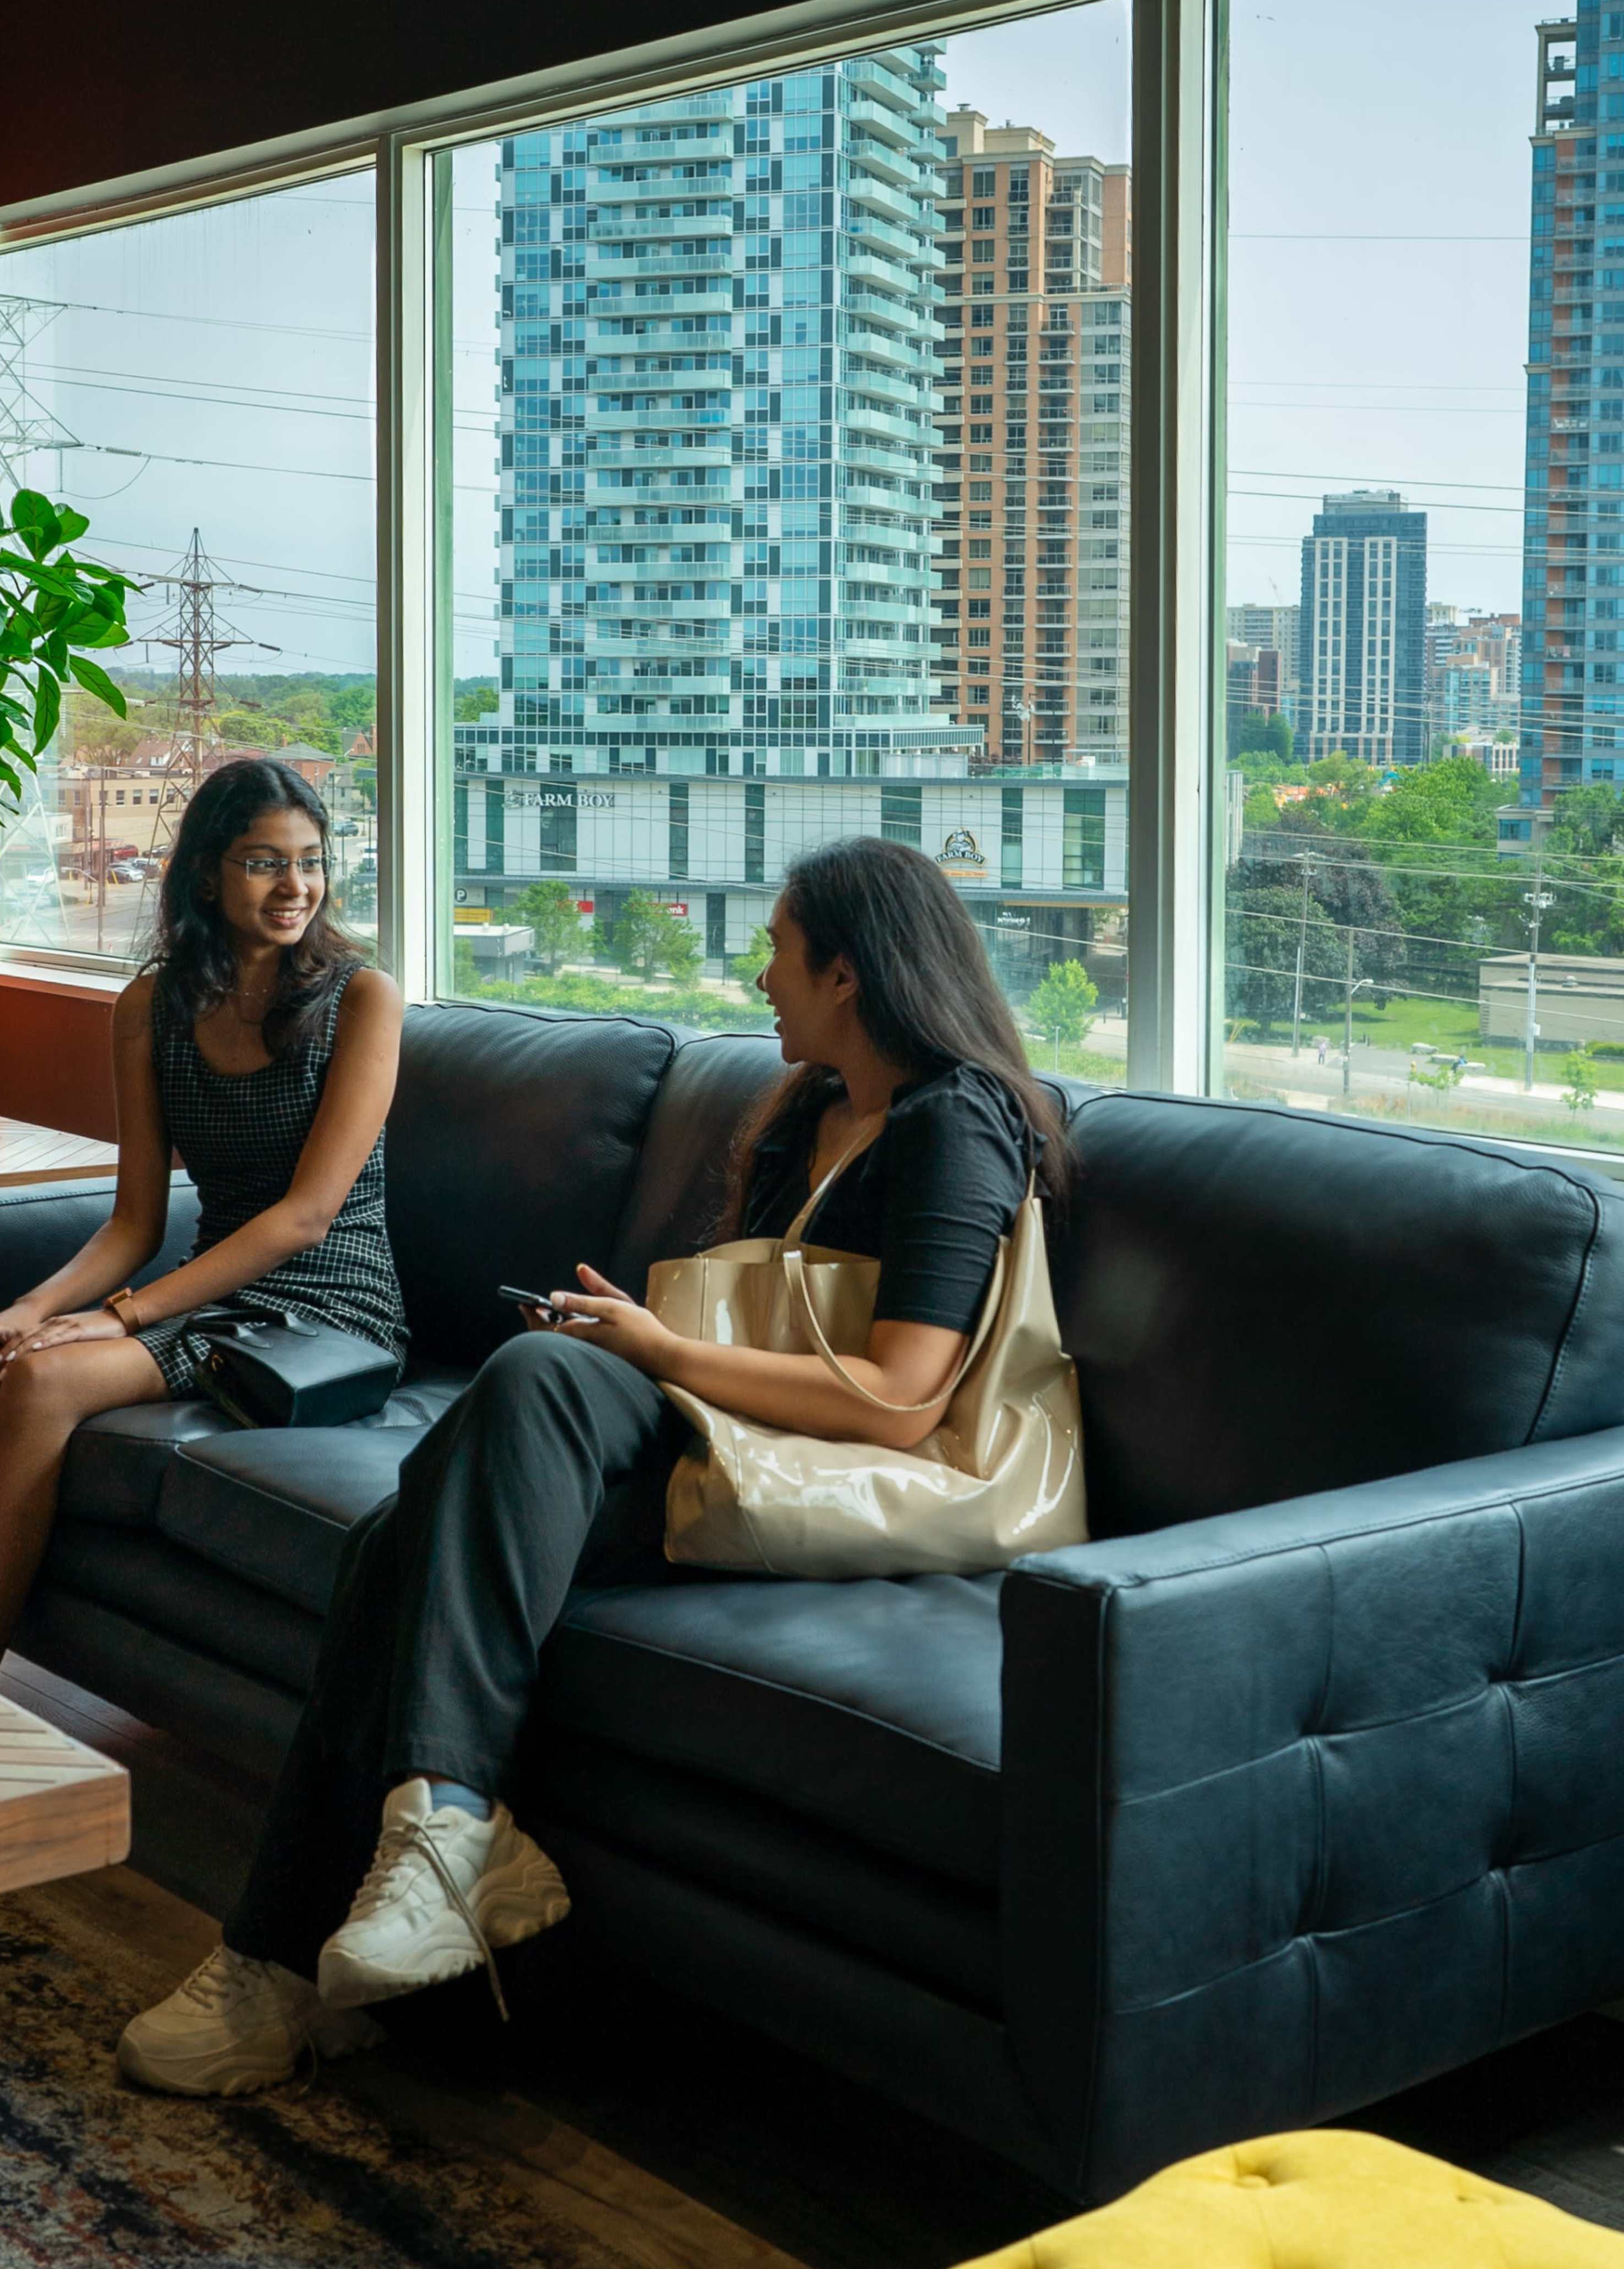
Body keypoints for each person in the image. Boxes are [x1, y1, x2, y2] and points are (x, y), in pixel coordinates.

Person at [118, 833, 1068, 2098]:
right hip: (757, 1456)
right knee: (412, 1518)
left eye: (778, 950)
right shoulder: (806, 1119)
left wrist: (656, 1347)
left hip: (882, 1485)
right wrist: (648, 1346)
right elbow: (742, 1348)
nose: (759, 976)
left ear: (849, 972)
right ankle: (346, 1916)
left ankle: (346, 1912)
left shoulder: (958, 1122)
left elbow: (901, 1403)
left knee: (527, 1395)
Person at [0, 758, 405, 1688]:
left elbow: (307, 1216)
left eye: (311, 861)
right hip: (215, 1287)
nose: (296, 887)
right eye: (263, 862)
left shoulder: (362, 1000)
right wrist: (25, 1309)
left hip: (329, 1307)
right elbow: (132, 1220)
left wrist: (121, 1317)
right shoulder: (151, 1009)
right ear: (208, 873)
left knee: (42, 1384)